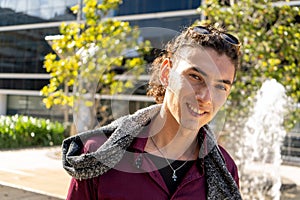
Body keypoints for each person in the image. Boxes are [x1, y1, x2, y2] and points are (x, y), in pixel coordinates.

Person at [62, 24, 242, 200]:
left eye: (220, 86)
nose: (205, 97)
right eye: (195, 77)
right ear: (166, 73)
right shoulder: (96, 153)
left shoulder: (226, 171)